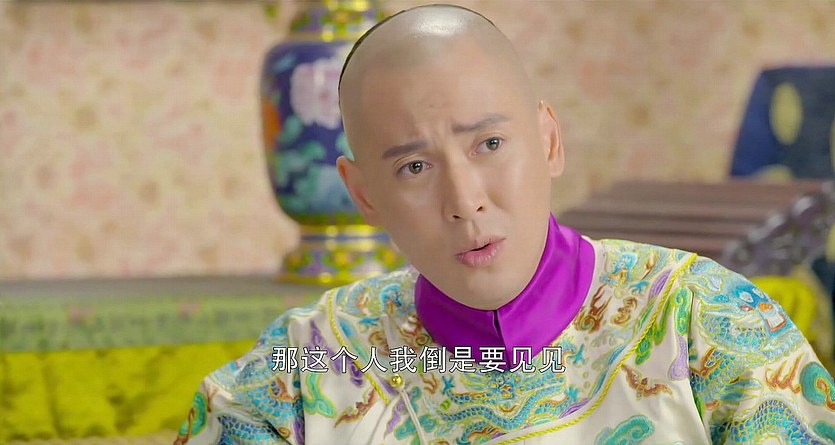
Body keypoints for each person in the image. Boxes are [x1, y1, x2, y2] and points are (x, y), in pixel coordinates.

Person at [175, 4, 835, 444]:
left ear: (548, 140)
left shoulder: (711, 327)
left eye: (489, 144)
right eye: (413, 167)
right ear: (364, 194)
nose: (464, 201)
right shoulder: (304, 370)